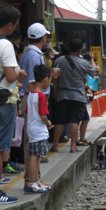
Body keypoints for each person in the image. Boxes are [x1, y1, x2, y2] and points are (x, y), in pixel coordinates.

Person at [51, 38, 98, 153]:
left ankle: (55, 146)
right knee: (74, 121)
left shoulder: (60, 60)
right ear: (79, 50)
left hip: (62, 95)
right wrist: (92, 59)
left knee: (60, 121)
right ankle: (73, 146)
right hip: (77, 96)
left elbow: (55, 76)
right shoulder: (83, 62)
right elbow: (94, 72)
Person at [0, 2, 26, 205]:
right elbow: (10, 76)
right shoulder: (5, 44)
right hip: (3, 100)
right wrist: (20, 72)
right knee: (1, 147)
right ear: (9, 25)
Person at [24, 64, 53, 193]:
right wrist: (48, 122)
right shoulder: (41, 96)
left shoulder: (30, 94)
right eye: (50, 79)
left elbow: (27, 111)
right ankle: (32, 183)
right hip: (38, 130)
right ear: (46, 79)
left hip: (31, 128)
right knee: (35, 156)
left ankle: (35, 181)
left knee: (35, 155)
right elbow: (43, 115)